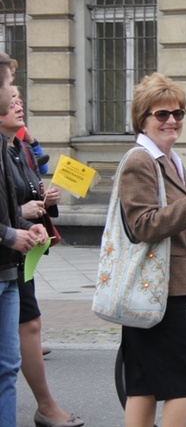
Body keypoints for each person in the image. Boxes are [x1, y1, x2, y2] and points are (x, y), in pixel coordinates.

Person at [118, 73, 186, 427]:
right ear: (143, 119)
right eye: (162, 114)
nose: (172, 120)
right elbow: (142, 225)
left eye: (178, 113)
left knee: (142, 385)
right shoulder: (140, 160)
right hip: (157, 289)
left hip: (161, 286)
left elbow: (170, 221)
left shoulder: (168, 160)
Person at [0, 91, 82, 427]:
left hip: (19, 257)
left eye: (19, 97)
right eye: (11, 97)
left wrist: (44, 201)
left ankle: (45, 406)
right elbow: (11, 205)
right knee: (21, 338)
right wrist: (19, 220)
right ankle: (46, 406)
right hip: (10, 252)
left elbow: (27, 187)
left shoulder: (16, 148)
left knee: (13, 355)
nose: (18, 104)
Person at [0, 52, 49, 426]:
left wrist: (25, 223)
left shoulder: (9, 146)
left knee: (7, 368)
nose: (14, 96)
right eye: (7, 85)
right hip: (8, 256)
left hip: (10, 267)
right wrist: (10, 231)